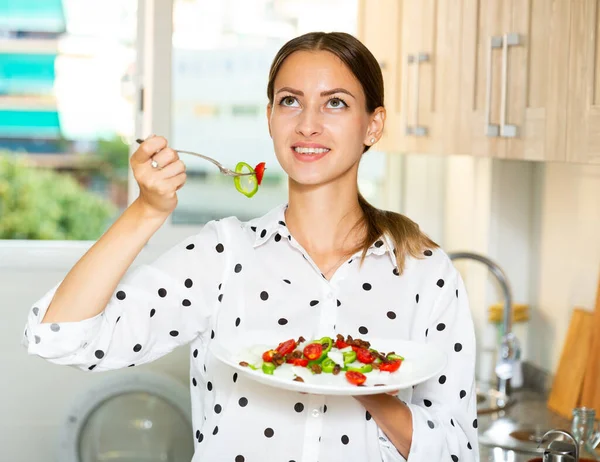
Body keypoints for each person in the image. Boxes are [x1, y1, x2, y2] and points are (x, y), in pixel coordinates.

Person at [23, 32, 479, 462]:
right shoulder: (222, 255)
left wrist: (362, 382)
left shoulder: (424, 272)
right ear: (269, 118)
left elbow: (459, 450)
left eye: (335, 104)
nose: (308, 125)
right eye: (290, 102)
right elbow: (59, 338)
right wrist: (146, 211)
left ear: (372, 126)